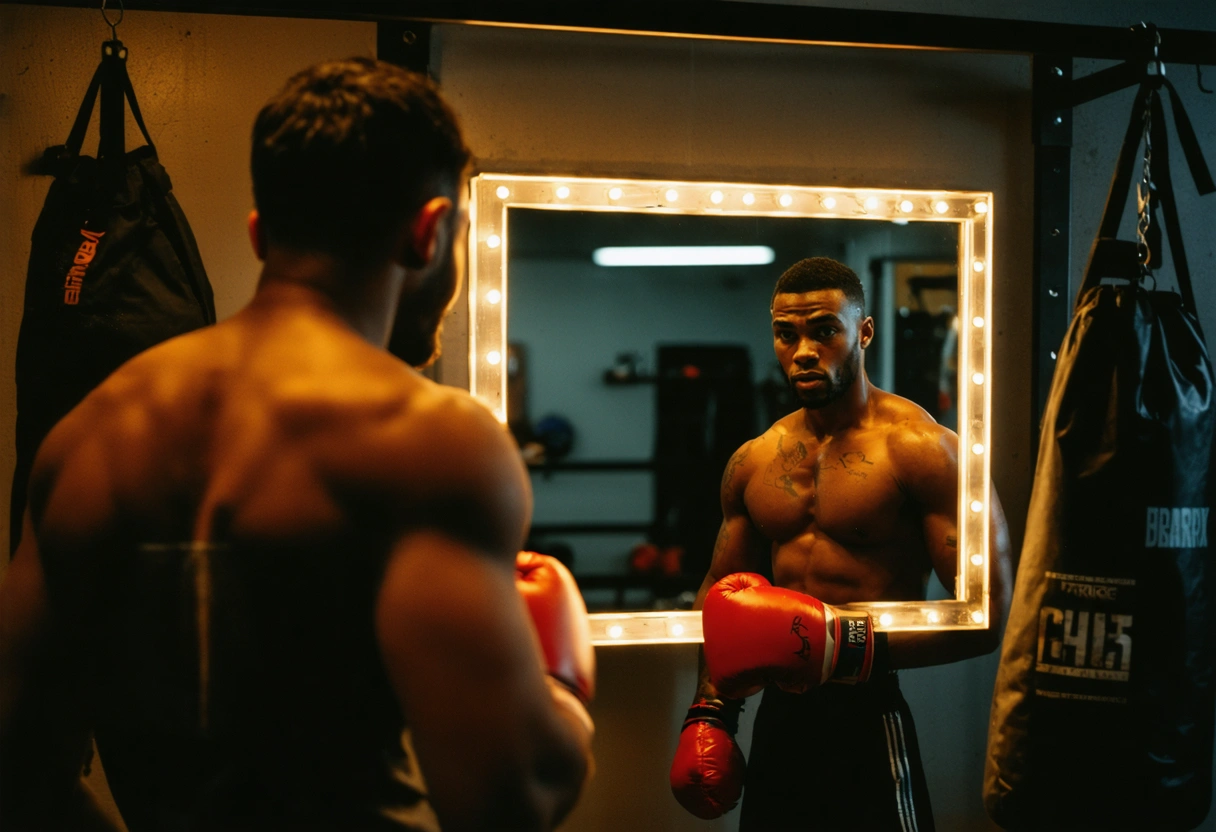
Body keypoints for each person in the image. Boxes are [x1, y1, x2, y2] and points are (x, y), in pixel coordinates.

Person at [0, 58, 594, 832]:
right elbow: (510, 799)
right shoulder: (429, 439)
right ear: (430, 232)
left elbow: (17, 774)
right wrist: (560, 687)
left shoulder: (88, 438)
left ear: (261, 235)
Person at [670, 257, 1012, 831]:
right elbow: (720, 593)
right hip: (780, 717)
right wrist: (711, 711)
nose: (803, 351)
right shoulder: (754, 460)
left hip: (868, 713)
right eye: (786, 334)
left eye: (825, 330)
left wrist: (837, 649)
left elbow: (987, 616)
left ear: (864, 332)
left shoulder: (922, 449)